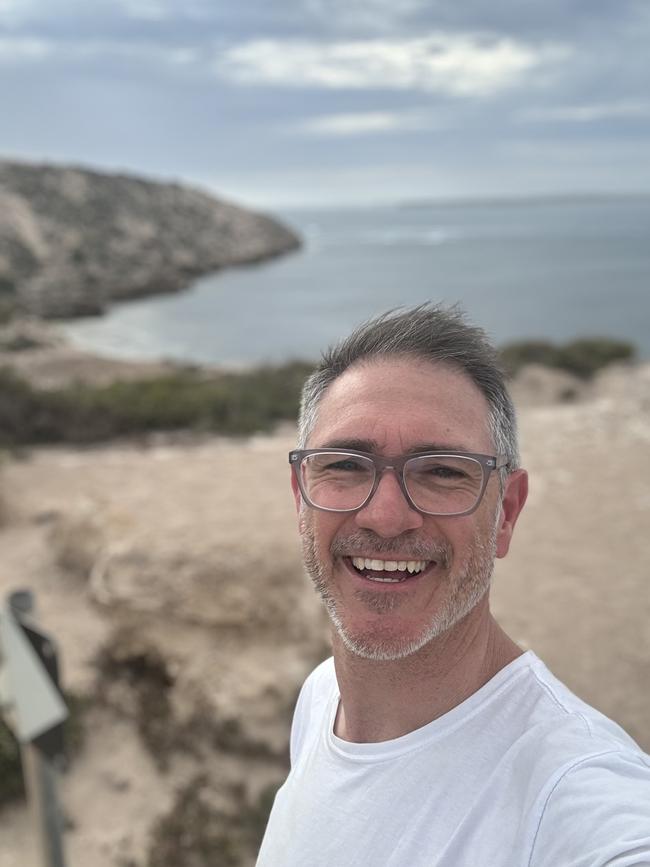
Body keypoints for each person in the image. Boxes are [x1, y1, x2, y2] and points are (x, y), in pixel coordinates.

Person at [256, 304, 650, 867]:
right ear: (301, 497)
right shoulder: (323, 701)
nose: (385, 517)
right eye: (345, 465)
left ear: (506, 514)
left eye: (441, 471)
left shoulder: (572, 795)